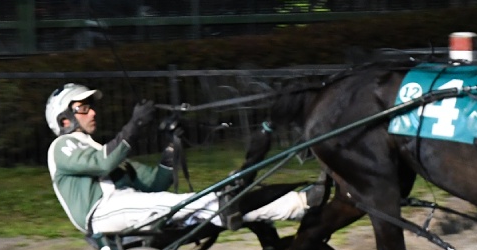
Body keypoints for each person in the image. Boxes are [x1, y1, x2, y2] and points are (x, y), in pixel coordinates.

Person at [45, 83, 319, 237]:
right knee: (201, 203)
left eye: (91, 106)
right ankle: (295, 204)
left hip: (126, 205)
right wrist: (135, 125)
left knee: (218, 206)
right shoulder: (61, 147)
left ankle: (298, 204)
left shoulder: (100, 151)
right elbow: (102, 163)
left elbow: (157, 181)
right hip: (102, 213)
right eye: (83, 107)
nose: (92, 112)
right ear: (64, 119)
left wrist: (170, 145)